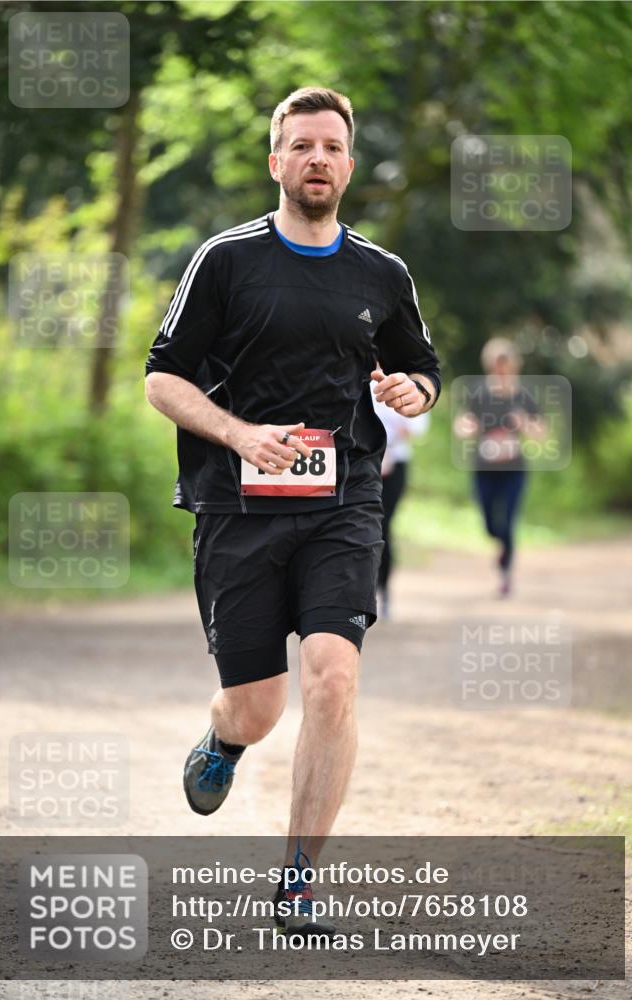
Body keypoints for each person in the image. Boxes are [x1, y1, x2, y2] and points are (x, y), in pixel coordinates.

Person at [145, 86, 441, 934]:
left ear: (349, 165)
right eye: (301, 146)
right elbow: (162, 378)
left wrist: (411, 390)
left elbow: (420, 365)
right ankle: (224, 740)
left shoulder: (380, 273)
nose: (318, 159)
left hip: (344, 497)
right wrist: (238, 435)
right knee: (259, 705)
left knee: (333, 678)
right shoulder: (226, 261)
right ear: (276, 161)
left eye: (332, 147)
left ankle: (301, 877)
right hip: (235, 505)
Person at [453, 338, 545, 597]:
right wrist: (466, 428)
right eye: (497, 367)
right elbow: (462, 423)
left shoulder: (524, 395)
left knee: (508, 522)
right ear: (490, 367)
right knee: (490, 525)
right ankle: (500, 545)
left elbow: (540, 431)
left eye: (506, 366)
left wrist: (525, 422)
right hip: (484, 468)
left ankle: (505, 572)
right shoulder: (480, 394)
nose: (501, 372)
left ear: (514, 367)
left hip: (514, 469)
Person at [371, 379, 430, 618]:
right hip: (364, 463)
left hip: (395, 463)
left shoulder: (402, 378)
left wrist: (405, 428)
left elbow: (418, 421)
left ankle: (383, 589)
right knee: (363, 527)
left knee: (383, 526)